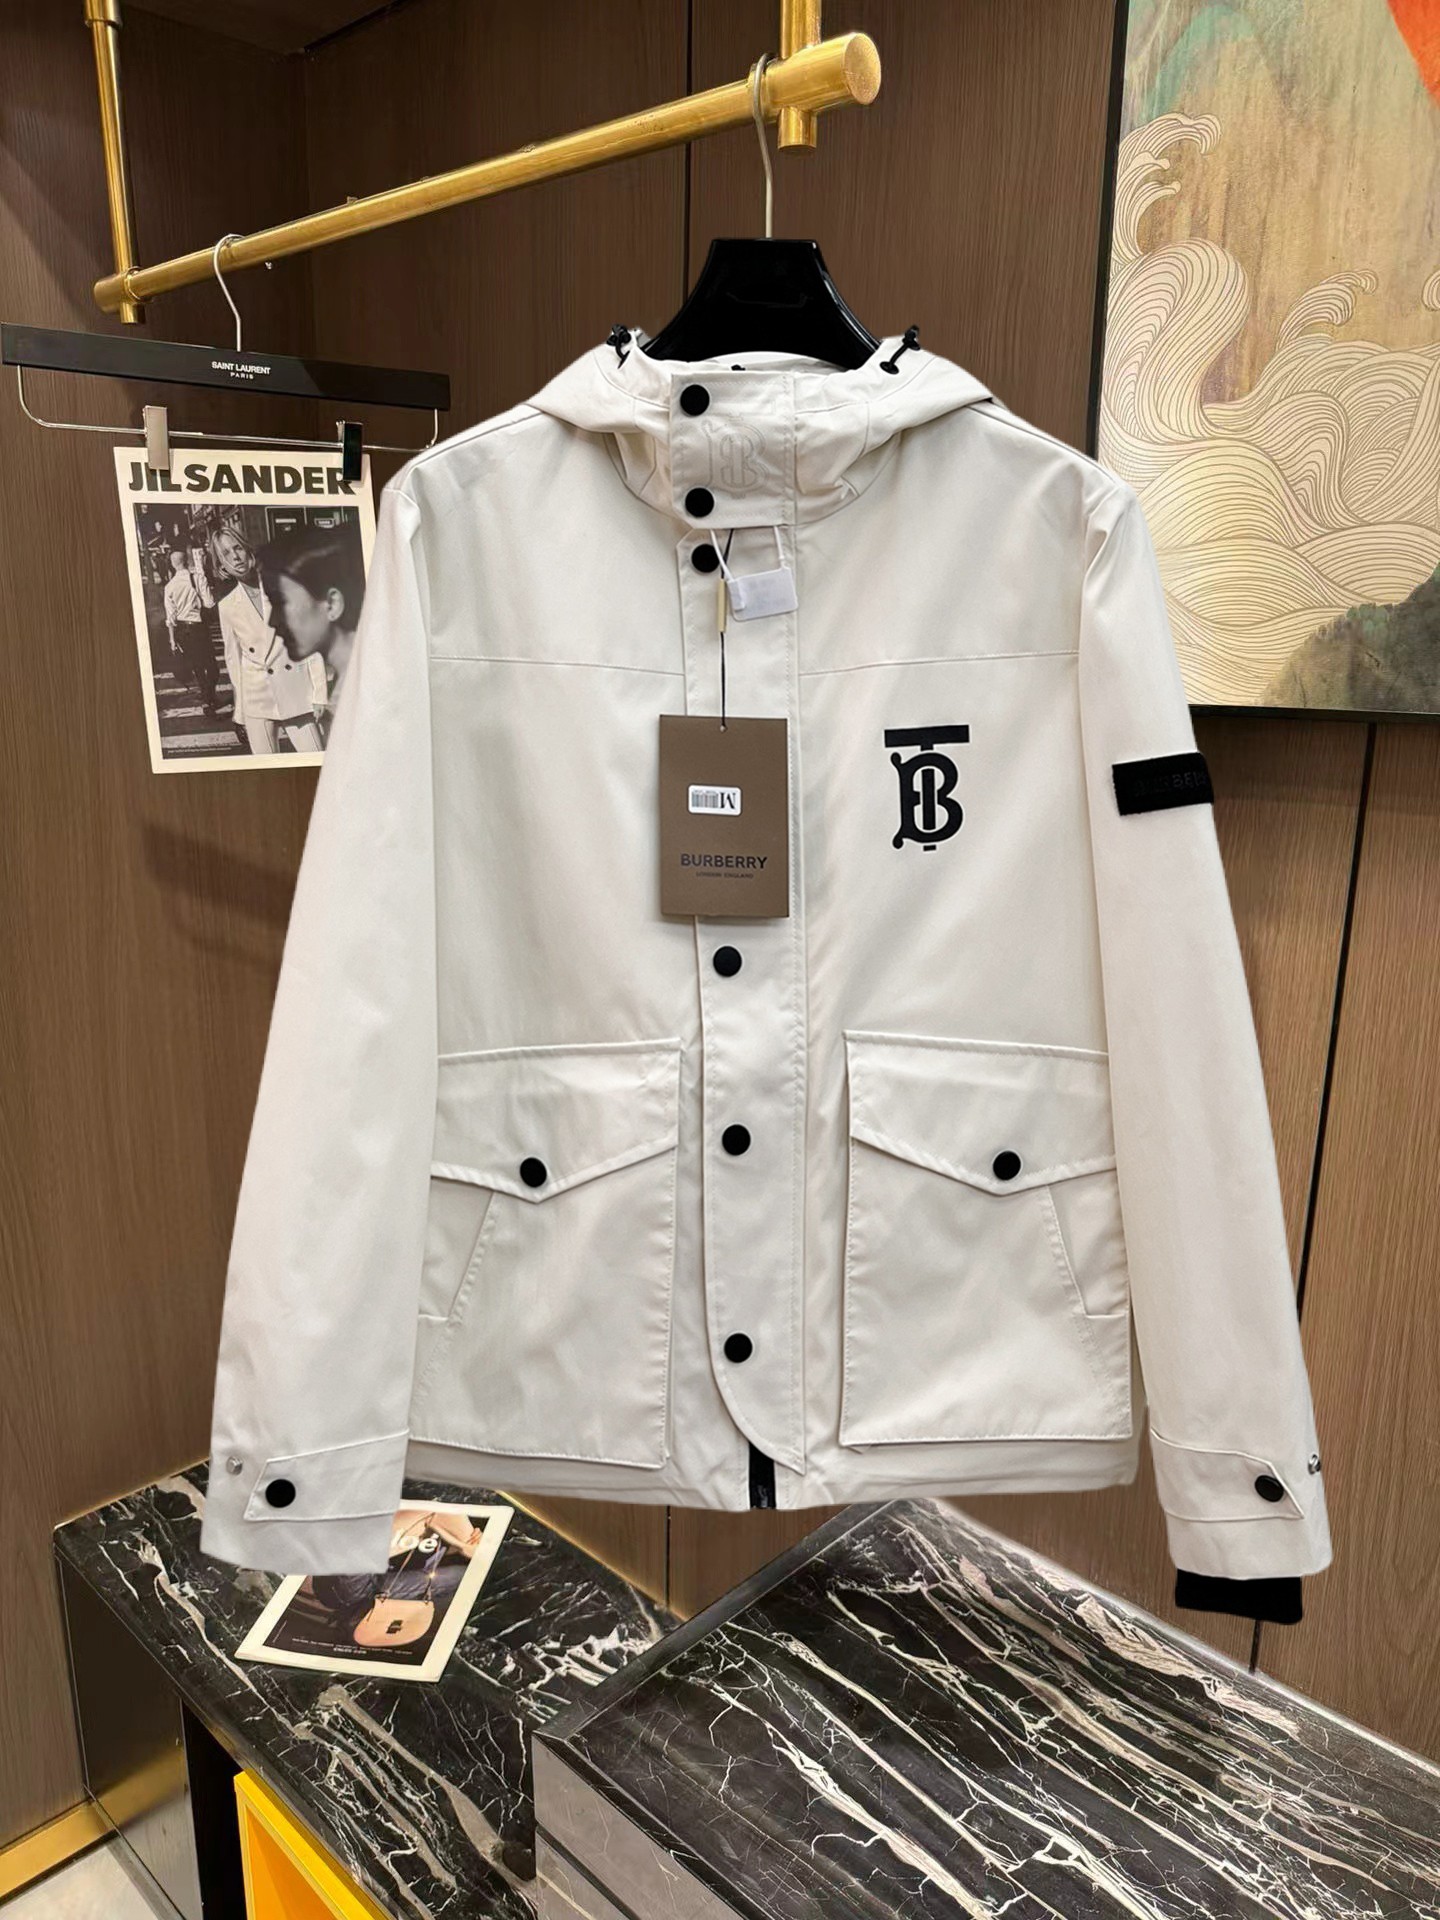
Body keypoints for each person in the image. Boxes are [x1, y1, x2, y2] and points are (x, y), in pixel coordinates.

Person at [213, 527, 326, 755]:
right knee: (267, 767)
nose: (235, 557)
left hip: (296, 691)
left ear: (248, 550)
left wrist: (319, 693)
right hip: (256, 698)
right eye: (226, 554)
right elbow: (234, 661)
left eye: (237, 548)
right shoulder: (226, 607)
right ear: (222, 565)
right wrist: (240, 711)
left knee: (317, 760)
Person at [260, 523, 367, 744]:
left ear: (331, 604)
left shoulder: (365, 693)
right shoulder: (356, 680)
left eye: (281, 603)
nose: (272, 621)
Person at [162, 550, 222, 718]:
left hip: (182, 631)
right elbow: (209, 603)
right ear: (187, 562)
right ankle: (209, 698)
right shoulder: (197, 578)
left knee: (197, 667)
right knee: (212, 667)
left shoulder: (169, 587)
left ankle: (208, 699)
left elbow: (170, 618)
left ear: (172, 565)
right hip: (199, 628)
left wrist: (172, 640)